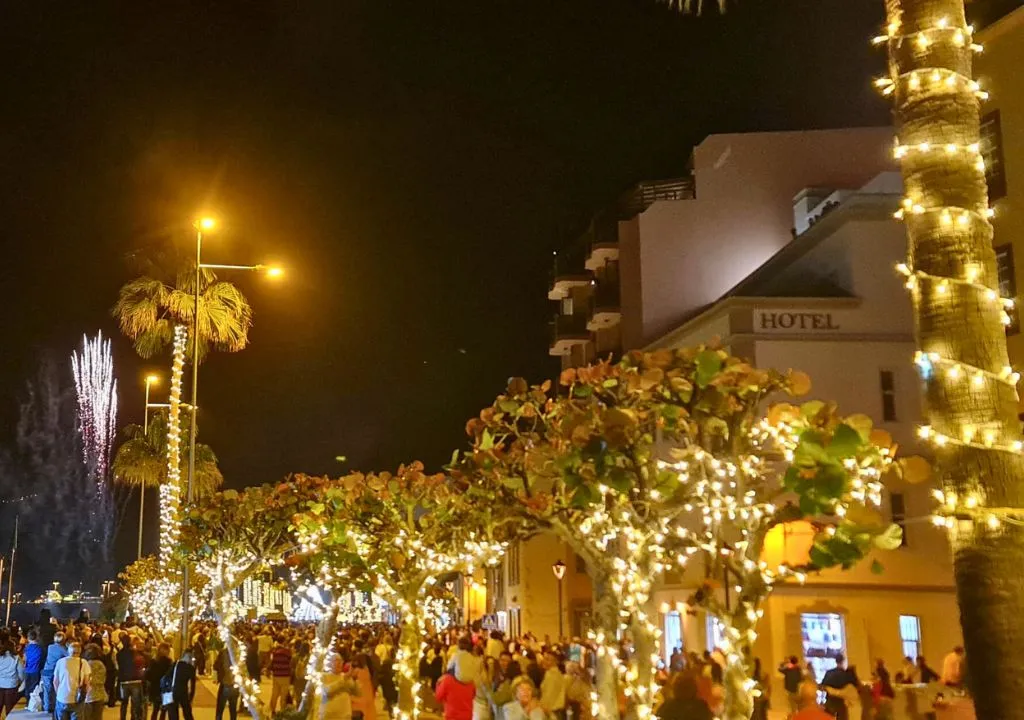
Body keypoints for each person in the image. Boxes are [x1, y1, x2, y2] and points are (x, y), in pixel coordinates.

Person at [53, 642, 91, 720]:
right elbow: (86, 682)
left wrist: (58, 693)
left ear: (68, 651)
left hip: (62, 697)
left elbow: (55, 681)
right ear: (80, 652)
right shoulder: (84, 663)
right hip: (77, 698)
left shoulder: (60, 662)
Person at [821, 654, 859, 720]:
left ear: (835, 661)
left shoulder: (829, 673)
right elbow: (855, 687)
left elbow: (822, 687)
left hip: (830, 701)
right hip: (842, 703)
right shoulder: (846, 674)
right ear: (843, 661)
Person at [319, 654, 356, 720]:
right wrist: (343, 679)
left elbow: (356, 692)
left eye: (341, 660)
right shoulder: (324, 676)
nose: (339, 663)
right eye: (336, 660)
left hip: (345, 715)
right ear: (330, 663)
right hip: (330, 715)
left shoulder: (345, 676)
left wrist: (354, 678)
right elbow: (327, 691)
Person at [117, 635, 145, 720]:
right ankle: (134, 718)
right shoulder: (133, 652)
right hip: (134, 680)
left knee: (124, 703)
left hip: (124, 681)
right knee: (135, 703)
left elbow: (119, 666)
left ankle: (123, 718)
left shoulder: (119, 654)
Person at [43, 632, 69, 715]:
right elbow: (69, 657)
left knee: (47, 690)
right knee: (56, 689)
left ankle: (46, 707)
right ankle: (54, 706)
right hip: (56, 671)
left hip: (46, 670)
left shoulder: (50, 647)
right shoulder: (63, 649)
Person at [145, 644, 173, 720]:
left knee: (156, 709)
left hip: (156, 688)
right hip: (166, 689)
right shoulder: (169, 662)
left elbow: (148, 675)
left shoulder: (153, 661)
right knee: (163, 710)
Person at [167, 650, 197, 720]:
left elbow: (167, 677)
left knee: (173, 714)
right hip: (183, 692)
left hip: (171, 691)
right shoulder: (190, 668)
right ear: (188, 657)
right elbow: (193, 685)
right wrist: (191, 698)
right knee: (187, 713)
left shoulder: (175, 664)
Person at [82, 644, 108, 720]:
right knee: (97, 717)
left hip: (88, 696)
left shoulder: (85, 665)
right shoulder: (101, 664)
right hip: (99, 694)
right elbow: (103, 679)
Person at [0, 642, 25, 719]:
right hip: (12, 685)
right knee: (9, 708)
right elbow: (21, 672)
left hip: (0, 684)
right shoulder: (16, 658)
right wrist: (19, 681)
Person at [268, 639, 293, 715]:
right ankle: (282, 711)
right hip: (285, 676)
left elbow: (271, 665)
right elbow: (290, 664)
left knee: (274, 694)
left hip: (276, 676)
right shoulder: (288, 653)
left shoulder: (275, 653)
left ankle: (273, 710)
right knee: (283, 695)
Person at [215, 648, 240, 720]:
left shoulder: (223, 652)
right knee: (233, 709)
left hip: (225, 683)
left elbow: (216, 665)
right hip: (235, 685)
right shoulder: (239, 653)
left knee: (220, 709)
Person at [539, 652, 565, 720]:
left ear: (555, 662)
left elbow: (549, 697)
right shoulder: (549, 673)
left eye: (547, 659)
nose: (544, 661)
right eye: (544, 658)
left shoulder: (553, 676)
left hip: (552, 713)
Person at [23, 629, 44, 701]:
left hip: (27, 670)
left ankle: (27, 702)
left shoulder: (26, 648)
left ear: (28, 638)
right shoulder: (40, 648)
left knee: (27, 687)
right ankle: (33, 702)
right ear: (36, 637)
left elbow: (24, 659)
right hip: (36, 670)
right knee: (34, 687)